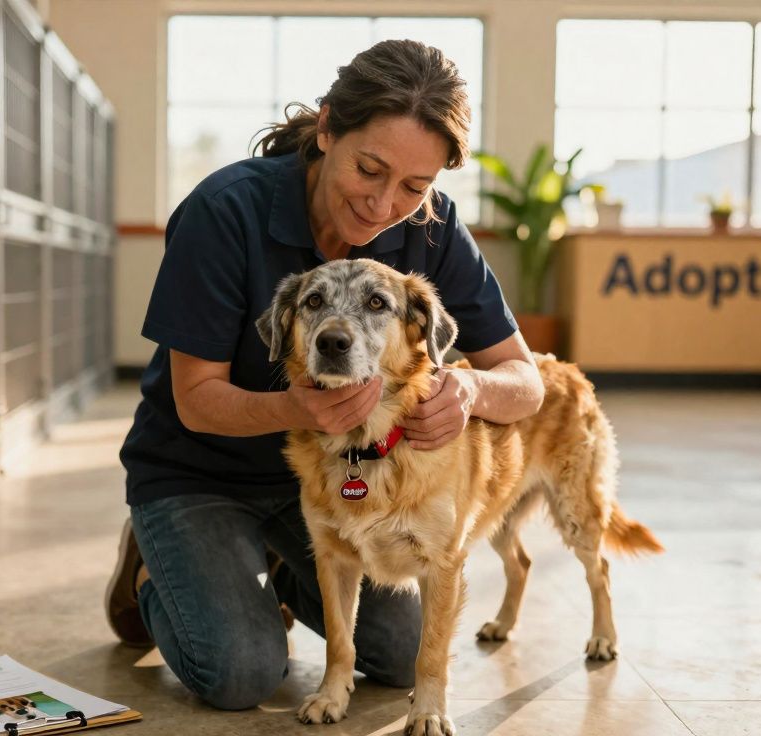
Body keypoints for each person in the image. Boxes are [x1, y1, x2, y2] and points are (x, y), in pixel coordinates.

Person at [105, 39, 545, 711]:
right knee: (240, 673)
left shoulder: (431, 230)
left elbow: (526, 380)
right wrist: (302, 411)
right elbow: (194, 401)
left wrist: (472, 388)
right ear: (329, 127)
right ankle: (154, 571)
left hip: (341, 479)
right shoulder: (225, 213)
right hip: (202, 470)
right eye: (370, 169)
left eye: (414, 187)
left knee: (403, 656)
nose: (382, 205)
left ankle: (277, 571)